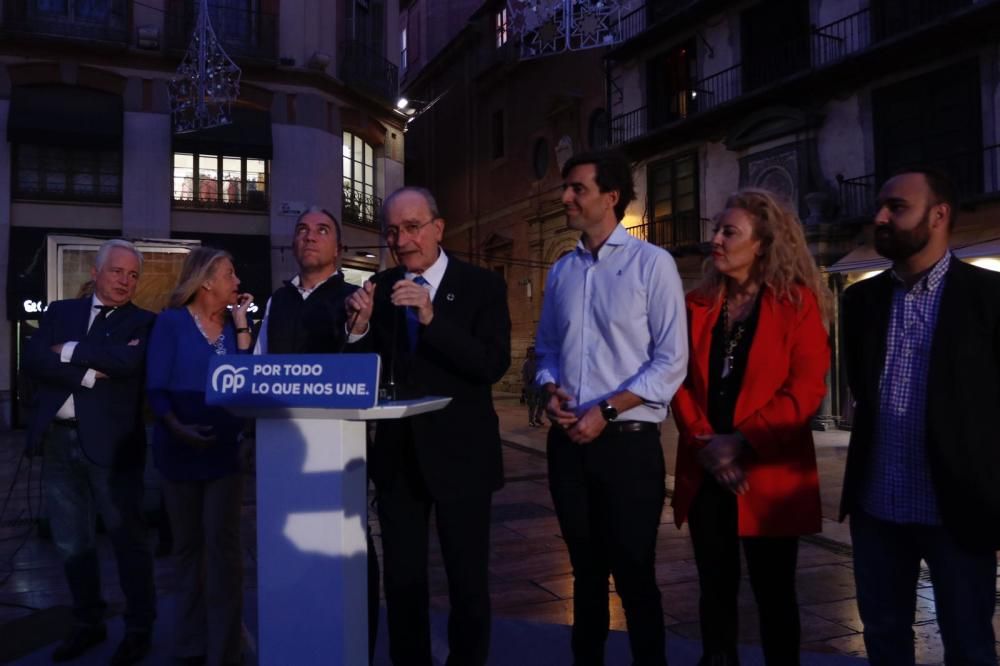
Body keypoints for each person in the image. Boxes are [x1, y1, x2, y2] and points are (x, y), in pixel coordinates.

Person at [345, 186, 511, 665]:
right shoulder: (380, 286)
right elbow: (362, 373)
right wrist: (358, 327)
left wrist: (431, 315)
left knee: (467, 583)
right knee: (402, 583)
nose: (401, 239)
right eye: (392, 231)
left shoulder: (482, 286)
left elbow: (490, 364)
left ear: (439, 228)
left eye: (412, 227)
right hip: (399, 462)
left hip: (462, 459)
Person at [840, 167, 1000, 666]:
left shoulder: (988, 298)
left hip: (956, 509)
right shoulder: (860, 300)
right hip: (877, 506)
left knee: (969, 644)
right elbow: (860, 392)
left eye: (896, 207)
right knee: (884, 639)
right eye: (880, 207)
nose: (880, 216)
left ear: (939, 215)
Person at [534, 150, 687, 666]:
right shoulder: (561, 270)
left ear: (611, 197)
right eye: (566, 188)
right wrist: (550, 386)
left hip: (629, 446)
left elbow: (671, 362)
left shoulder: (653, 264)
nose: (565, 198)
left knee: (634, 571)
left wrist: (609, 411)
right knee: (585, 571)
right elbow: (548, 347)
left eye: (577, 188)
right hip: (568, 445)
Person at [671, 189, 831, 666]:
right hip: (706, 472)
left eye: (728, 232)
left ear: (762, 244)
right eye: (717, 230)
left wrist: (739, 442)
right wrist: (707, 444)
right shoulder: (696, 303)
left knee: (775, 597)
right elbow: (674, 377)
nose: (714, 240)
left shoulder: (796, 304)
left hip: (768, 474)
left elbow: (805, 391)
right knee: (713, 592)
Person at [253, 206, 381, 664]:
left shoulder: (357, 297)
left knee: (348, 544)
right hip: (283, 451)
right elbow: (262, 372)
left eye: (322, 230)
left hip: (338, 452)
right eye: (302, 230)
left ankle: (356, 642)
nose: (310, 237)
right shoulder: (277, 300)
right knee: (291, 545)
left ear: (338, 248)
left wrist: (360, 325)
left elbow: (368, 369)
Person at [24, 239, 156, 665]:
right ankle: (87, 622)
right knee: (71, 542)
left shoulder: (143, 323)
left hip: (113, 448)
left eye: (133, 275)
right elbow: (32, 360)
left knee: (127, 542)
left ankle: (139, 628)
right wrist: (85, 375)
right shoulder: (61, 312)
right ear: (96, 273)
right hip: (60, 442)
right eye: (118, 271)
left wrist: (67, 351)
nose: (125, 281)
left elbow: (128, 364)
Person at [146, 247, 254, 665]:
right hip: (179, 453)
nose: (238, 282)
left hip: (224, 456)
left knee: (224, 552)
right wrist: (178, 428)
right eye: (230, 274)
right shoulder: (172, 324)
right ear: (206, 281)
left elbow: (246, 377)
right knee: (188, 551)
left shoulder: (231, 327)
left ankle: (225, 651)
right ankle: (191, 647)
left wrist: (243, 324)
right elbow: (156, 387)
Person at [521, 346, 544, 426]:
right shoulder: (526, 363)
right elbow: (524, 376)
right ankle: (531, 420)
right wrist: (526, 385)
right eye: (530, 352)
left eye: (533, 352)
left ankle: (538, 418)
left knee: (541, 403)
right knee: (532, 405)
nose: (531, 353)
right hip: (531, 386)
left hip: (539, 386)